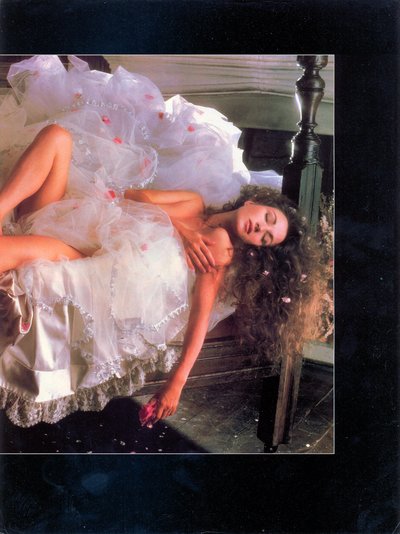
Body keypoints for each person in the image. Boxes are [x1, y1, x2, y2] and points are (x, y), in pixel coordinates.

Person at [0, 55, 320, 428]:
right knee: (57, 136)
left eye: (266, 237)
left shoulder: (218, 251)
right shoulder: (194, 204)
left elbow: (200, 319)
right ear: (255, 202)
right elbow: (133, 198)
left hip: (73, 251)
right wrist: (184, 229)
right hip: (66, 214)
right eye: (268, 219)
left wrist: (176, 384)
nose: (260, 228)